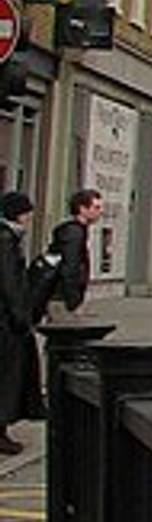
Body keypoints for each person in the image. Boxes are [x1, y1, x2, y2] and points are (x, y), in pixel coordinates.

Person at [0, 192, 41, 457]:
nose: (29, 217)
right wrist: (20, 316)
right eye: (26, 212)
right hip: (6, 323)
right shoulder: (6, 240)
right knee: (6, 376)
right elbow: (9, 282)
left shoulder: (10, 238)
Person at [46, 188, 101, 319]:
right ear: (82, 209)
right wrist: (73, 300)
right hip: (62, 297)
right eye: (96, 207)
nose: (100, 212)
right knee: (65, 333)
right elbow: (70, 266)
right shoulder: (73, 233)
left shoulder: (77, 231)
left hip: (63, 296)